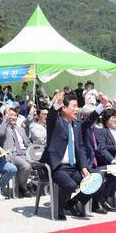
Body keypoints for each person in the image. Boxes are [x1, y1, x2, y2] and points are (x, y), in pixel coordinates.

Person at [41, 92, 99, 220]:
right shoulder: (55, 122)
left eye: (77, 106)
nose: (77, 109)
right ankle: (58, 207)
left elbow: (88, 124)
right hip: (57, 167)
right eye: (74, 106)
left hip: (73, 167)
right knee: (70, 185)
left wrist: (84, 167)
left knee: (94, 182)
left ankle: (71, 204)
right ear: (64, 108)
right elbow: (51, 115)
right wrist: (58, 102)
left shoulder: (76, 125)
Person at [0, 107, 33, 197]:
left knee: (43, 164)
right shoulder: (1, 127)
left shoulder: (20, 129)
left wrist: (34, 151)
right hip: (13, 154)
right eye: (10, 115)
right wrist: (5, 118)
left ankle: (33, 185)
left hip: (25, 153)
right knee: (26, 166)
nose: (13, 117)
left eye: (15, 115)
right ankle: (22, 187)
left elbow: (28, 143)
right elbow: (0, 133)